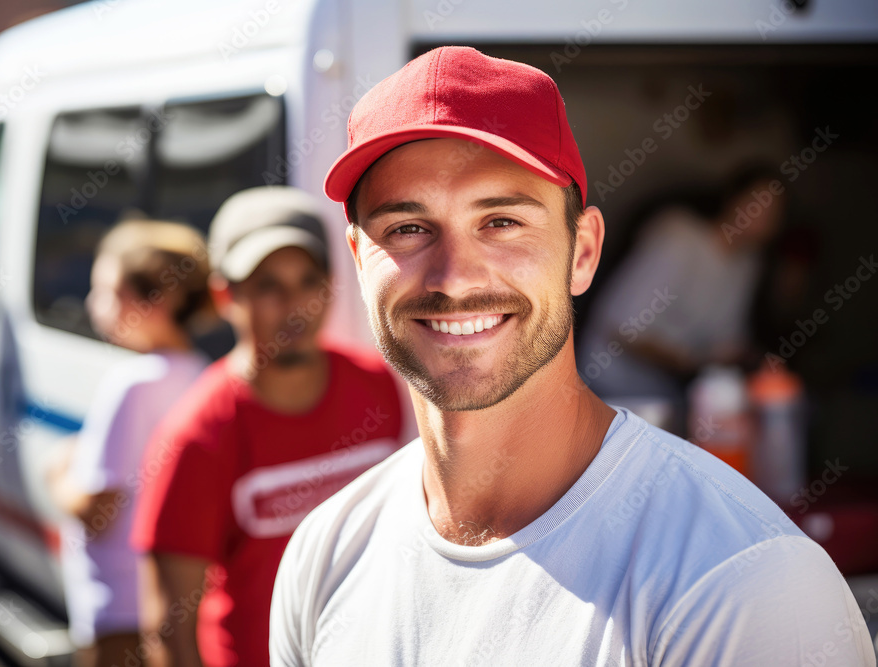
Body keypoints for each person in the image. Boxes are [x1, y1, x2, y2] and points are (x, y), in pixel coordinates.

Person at [269, 47, 874, 665]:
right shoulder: (325, 554)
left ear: (582, 253)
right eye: (407, 229)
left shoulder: (742, 581)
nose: (453, 279)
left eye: (501, 221)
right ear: (357, 258)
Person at [130, 186, 406, 667]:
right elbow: (169, 631)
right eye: (268, 286)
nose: (294, 306)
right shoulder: (198, 436)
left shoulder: (377, 385)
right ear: (225, 295)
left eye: (307, 281)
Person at [47, 220, 212, 667]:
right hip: (166, 596)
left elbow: (97, 509)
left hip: (117, 601)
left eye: (104, 290)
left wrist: (58, 476)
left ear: (154, 302)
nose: (91, 303)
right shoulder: (199, 372)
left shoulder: (130, 383)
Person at [577, 166, 786, 413]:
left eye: (774, 212)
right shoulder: (678, 237)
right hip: (610, 387)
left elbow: (726, 342)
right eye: (758, 203)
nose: (763, 218)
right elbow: (620, 326)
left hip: (671, 397)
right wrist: (689, 363)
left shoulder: (748, 264)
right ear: (732, 197)